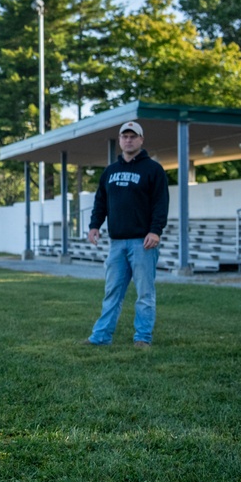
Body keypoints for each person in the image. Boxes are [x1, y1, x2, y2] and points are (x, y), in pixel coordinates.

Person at [83, 121, 170, 348]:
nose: (128, 140)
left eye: (133, 136)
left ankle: (142, 338)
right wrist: (94, 225)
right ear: (120, 140)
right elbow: (101, 202)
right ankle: (100, 337)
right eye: (125, 136)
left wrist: (155, 231)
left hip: (144, 243)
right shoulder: (110, 172)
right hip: (117, 243)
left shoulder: (153, 170)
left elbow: (161, 204)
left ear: (141, 140)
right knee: (112, 292)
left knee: (144, 294)